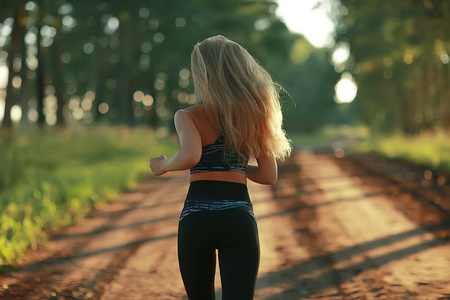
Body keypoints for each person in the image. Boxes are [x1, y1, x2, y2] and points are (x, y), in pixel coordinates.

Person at [149, 35, 291, 300]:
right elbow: (269, 176)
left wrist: (164, 164)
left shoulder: (188, 115)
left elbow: (192, 156)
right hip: (239, 220)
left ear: (203, 73)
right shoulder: (254, 114)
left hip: (196, 219)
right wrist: (234, 168)